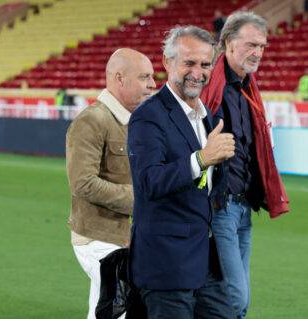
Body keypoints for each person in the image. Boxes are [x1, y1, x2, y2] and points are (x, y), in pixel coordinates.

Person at [128, 26, 236, 319]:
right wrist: (202, 158)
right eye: (189, 63)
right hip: (165, 264)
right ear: (166, 62)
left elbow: (207, 184)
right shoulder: (147, 116)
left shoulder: (207, 116)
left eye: (205, 64)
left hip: (202, 260)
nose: (197, 72)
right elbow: (149, 181)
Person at [200, 11, 290, 319]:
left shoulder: (248, 88)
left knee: (237, 298)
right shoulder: (210, 85)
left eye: (262, 46)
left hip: (243, 207)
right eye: (251, 44)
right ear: (228, 43)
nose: (258, 52)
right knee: (235, 297)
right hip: (221, 206)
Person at [66, 48, 155, 319]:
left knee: (106, 308)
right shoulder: (92, 120)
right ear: (119, 78)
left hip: (123, 236)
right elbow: (82, 183)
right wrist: (138, 200)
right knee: (126, 302)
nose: (153, 84)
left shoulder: (135, 122)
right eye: (144, 77)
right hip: (97, 237)